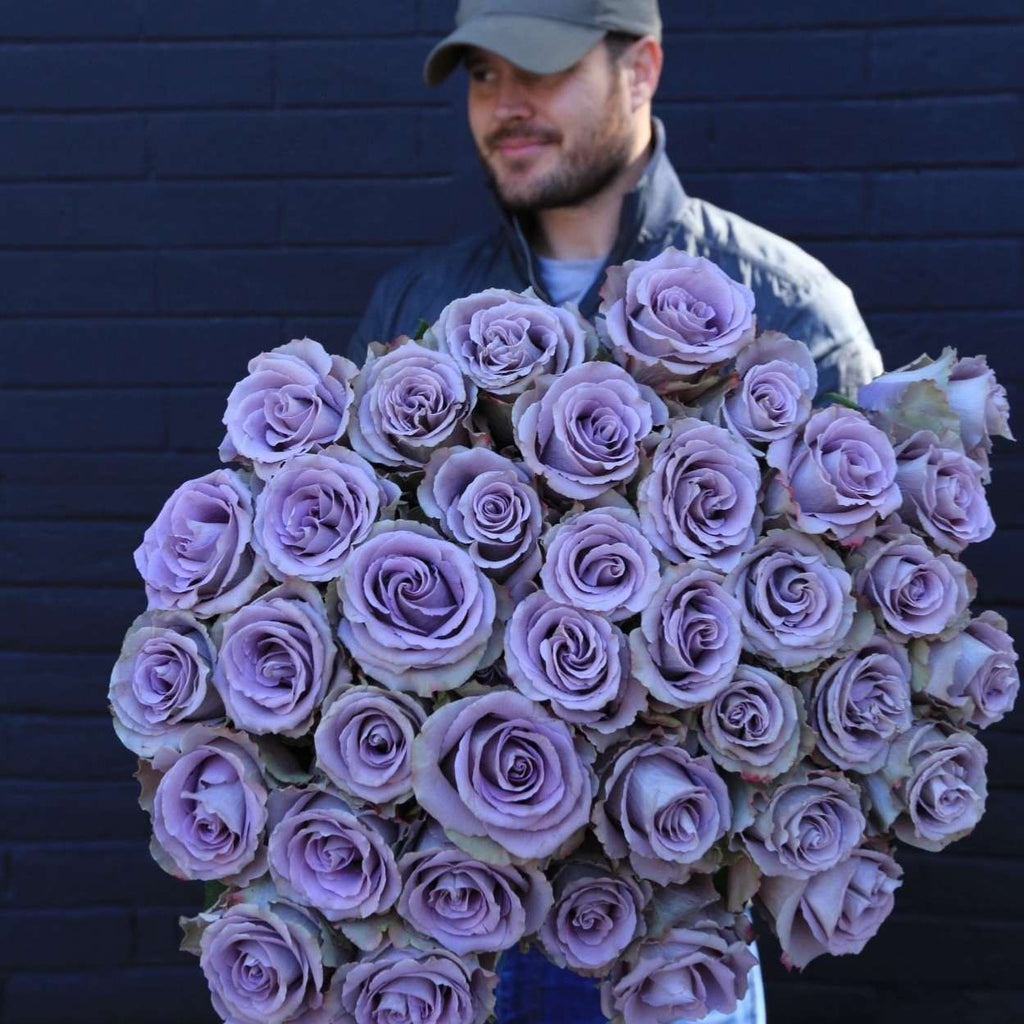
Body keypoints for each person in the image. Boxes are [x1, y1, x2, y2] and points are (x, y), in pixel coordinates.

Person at [348, 2, 882, 1022]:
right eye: (482, 77)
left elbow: (867, 647)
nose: (505, 106)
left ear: (641, 68)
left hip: (672, 948)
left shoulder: (785, 307)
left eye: (538, 70)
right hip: (454, 934)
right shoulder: (412, 308)